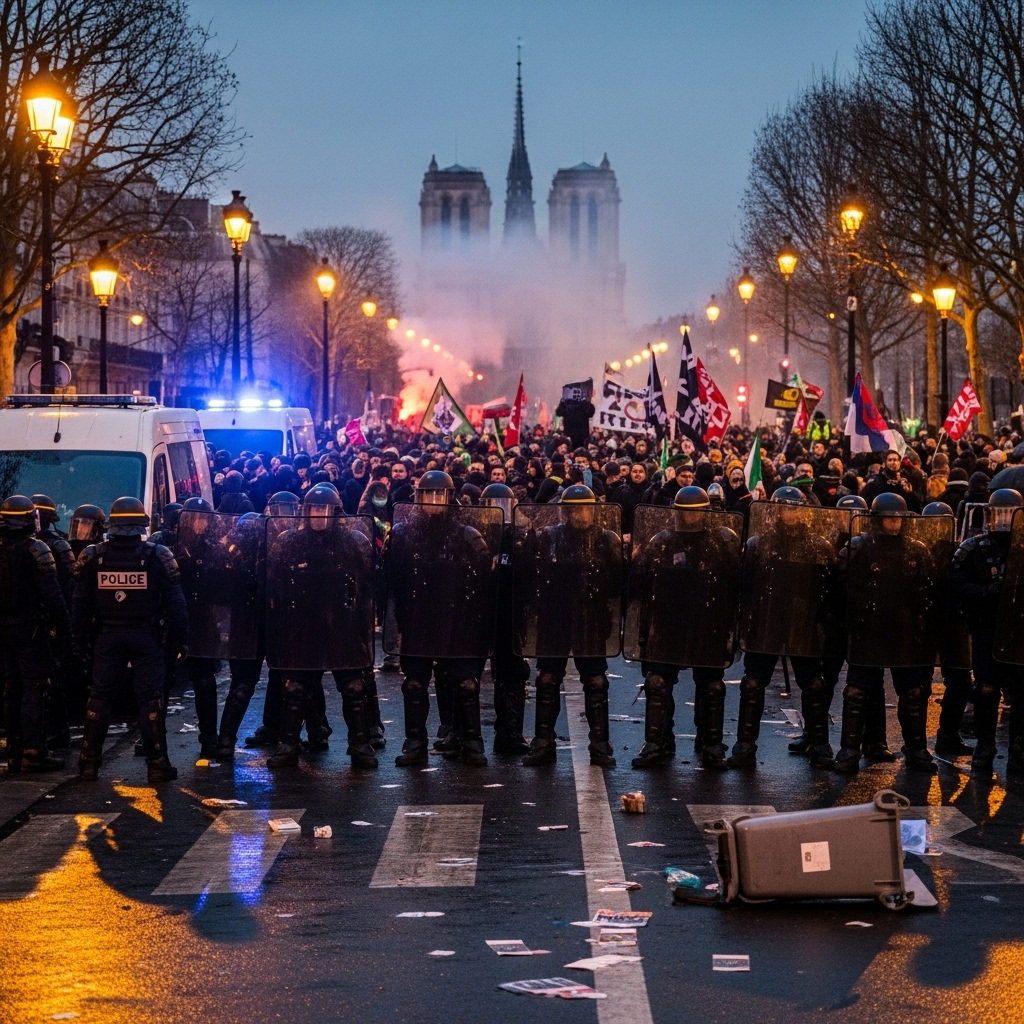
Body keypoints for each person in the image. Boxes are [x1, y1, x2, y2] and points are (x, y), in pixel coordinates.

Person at [386, 471, 498, 767]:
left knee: (466, 685)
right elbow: (391, 579)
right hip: (419, 618)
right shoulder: (404, 533)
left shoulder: (467, 535)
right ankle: (415, 741)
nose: (433, 502)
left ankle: (472, 741)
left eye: (439, 496)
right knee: (414, 683)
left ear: (450, 499)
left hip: (458, 619)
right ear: (418, 498)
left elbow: (484, 583)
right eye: (427, 496)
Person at [72, 496, 187, 783]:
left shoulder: (93, 555)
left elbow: (80, 605)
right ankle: (157, 764)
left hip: (108, 636)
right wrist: (182, 639)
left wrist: (78, 640)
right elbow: (176, 604)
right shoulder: (157, 555)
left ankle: (88, 763)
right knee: (150, 699)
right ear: (141, 524)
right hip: (144, 636)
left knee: (99, 698)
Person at [627, 486, 742, 769]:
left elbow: (735, 585)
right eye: (685, 514)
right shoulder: (661, 542)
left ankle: (711, 742)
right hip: (669, 624)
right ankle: (658, 741)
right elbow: (640, 584)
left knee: (712, 686)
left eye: (695, 514)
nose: (690, 519)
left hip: (707, 623)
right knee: (657, 682)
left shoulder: (721, 542)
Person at [264, 485, 378, 768]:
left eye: (324, 511)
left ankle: (360, 744)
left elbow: (367, 587)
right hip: (302, 624)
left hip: (341, 623)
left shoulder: (353, 542)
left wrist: (363, 620)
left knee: (353, 687)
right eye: (314, 510)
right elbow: (274, 585)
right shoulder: (289, 542)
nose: (318, 516)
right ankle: (289, 744)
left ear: (335, 513)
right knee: (294, 688)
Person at [733, 486, 844, 769]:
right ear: (776, 510)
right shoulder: (760, 544)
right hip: (768, 622)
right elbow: (746, 588)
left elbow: (829, 593)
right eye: (785, 507)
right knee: (753, 683)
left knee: (814, 686)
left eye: (795, 508)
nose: (790, 513)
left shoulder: (818, 547)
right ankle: (744, 747)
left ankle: (820, 746)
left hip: (803, 625)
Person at [834, 493, 943, 774]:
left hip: (904, 631)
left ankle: (917, 749)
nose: (893, 523)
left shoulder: (917, 550)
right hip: (868, 629)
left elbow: (930, 591)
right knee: (857, 691)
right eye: (888, 518)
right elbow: (840, 587)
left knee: (913, 692)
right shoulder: (858, 548)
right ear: (877, 519)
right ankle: (849, 750)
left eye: (897, 518)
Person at [517, 484, 622, 768]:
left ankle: (600, 745)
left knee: (596, 681)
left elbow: (618, 583)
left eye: (585, 507)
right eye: (575, 508)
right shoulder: (548, 538)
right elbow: (530, 575)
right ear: (565, 511)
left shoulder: (605, 540)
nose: (581, 513)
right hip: (555, 617)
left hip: (590, 616)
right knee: (547, 679)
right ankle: (542, 742)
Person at [951, 489, 1024, 773]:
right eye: (1001, 514)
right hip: (986, 628)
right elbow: (956, 584)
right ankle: (985, 744)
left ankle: (1018, 746)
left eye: (1011, 514)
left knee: (1019, 693)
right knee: (986, 689)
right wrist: (987, 592)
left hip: (1018, 631)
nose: (1005, 521)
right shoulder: (974, 548)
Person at [0, 495, 72, 773]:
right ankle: (33, 751)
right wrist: (66, 629)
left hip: (3, 630)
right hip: (30, 628)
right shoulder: (36, 549)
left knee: (10, 688)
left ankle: (15, 753)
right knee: (33, 688)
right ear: (32, 519)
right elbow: (53, 595)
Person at [482, 483, 531, 756]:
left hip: (509, 615)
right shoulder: (473, 534)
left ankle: (509, 733)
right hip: (478, 612)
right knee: (462, 676)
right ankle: (462, 736)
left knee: (512, 672)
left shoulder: (520, 537)